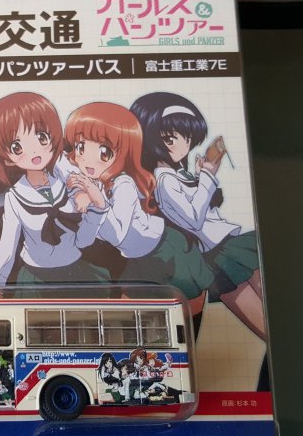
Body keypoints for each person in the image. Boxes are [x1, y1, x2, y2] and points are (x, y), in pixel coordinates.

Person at [131, 92, 265, 340]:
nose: (184, 145)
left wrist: (200, 174)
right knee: (260, 317)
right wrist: (208, 176)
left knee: (265, 312)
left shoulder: (175, 175)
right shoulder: (163, 180)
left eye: (188, 137)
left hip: (226, 244)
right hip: (218, 252)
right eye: (170, 139)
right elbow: (192, 219)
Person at [64, 101, 215, 312]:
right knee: (137, 310)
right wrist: (83, 197)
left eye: (104, 151)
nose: (87, 159)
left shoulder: (123, 184)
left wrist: (97, 202)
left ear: (125, 151)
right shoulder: (93, 184)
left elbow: (117, 235)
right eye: (80, 147)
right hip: (136, 257)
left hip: (165, 248)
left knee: (188, 304)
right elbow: (83, 240)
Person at [0, 92, 108, 295]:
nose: (34, 151)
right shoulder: (15, 197)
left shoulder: (67, 181)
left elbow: (84, 240)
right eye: (17, 146)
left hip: (75, 270)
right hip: (36, 277)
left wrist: (97, 207)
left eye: (41, 137)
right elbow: (8, 246)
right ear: (5, 157)